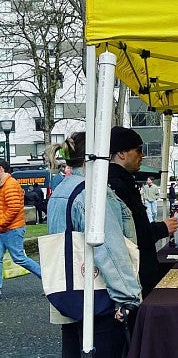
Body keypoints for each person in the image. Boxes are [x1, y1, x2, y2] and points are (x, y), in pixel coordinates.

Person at [44, 132, 141, 357]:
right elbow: (109, 248)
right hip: (99, 297)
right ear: (99, 157)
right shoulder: (93, 194)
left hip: (68, 293)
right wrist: (128, 298)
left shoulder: (62, 190)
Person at [107, 126, 178, 297]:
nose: (142, 155)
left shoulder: (120, 181)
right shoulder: (118, 185)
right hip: (134, 270)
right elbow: (133, 233)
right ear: (122, 153)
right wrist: (162, 228)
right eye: (138, 150)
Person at [0, 159, 42, 298]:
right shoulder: (4, 184)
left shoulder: (10, 185)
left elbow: (13, 209)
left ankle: (47, 279)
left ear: (1, 169)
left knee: (19, 258)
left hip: (12, 229)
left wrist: (1, 223)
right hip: (6, 228)